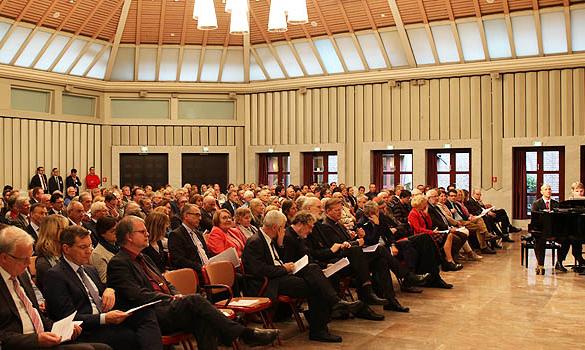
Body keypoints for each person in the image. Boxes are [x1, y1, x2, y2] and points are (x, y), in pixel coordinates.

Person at [107, 216, 279, 349]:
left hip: (167, 306)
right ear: (129, 237)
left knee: (202, 318)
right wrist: (171, 299)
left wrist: (175, 294)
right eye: (142, 232)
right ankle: (244, 334)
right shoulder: (119, 262)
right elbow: (136, 295)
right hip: (150, 313)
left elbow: (164, 281)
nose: (147, 234)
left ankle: (242, 335)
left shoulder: (143, 257)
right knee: (195, 300)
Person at [243, 210, 361, 343]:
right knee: (316, 286)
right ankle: (321, 326)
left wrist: (281, 246)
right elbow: (258, 270)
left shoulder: (270, 238)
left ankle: (332, 307)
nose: (285, 229)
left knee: (313, 269)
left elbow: (276, 259)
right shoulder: (255, 241)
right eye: (283, 226)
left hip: (279, 276)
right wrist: (283, 268)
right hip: (269, 283)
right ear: (276, 227)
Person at [43, 226, 161, 350]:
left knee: (146, 314)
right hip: (85, 330)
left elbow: (102, 293)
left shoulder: (90, 269)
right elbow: (67, 317)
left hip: (105, 319)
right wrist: (104, 319)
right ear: (66, 249)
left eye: (90, 246)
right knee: (130, 337)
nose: (89, 251)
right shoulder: (56, 275)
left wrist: (110, 289)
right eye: (83, 247)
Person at [0, 225, 111, 350]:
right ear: (4, 258)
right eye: (24, 259)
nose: (28, 264)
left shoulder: (21, 275)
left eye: (29, 257)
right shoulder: (54, 274)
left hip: (44, 337)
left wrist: (65, 329)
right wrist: (35, 340)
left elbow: (37, 316)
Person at [168, 204, 211, 281]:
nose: (200, 218)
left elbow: (206, 253)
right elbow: (179, 260)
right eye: (197, 215)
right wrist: (201, 267)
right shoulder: (176, 235)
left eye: (200, 215)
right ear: (186, 216)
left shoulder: (198, 233)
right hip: (193, 274)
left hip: (207, 269)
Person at [35, 214, 69, 293]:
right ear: (53, 232)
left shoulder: (65, 253)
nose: (68, 232)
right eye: (65, 229)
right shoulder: (43, 263)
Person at [90, 217, 119, 284]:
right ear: (102, 234)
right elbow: (105, 280)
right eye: (112, 231)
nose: (116, 233)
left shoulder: (119, 245)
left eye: (117, 229)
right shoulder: (98, 254)